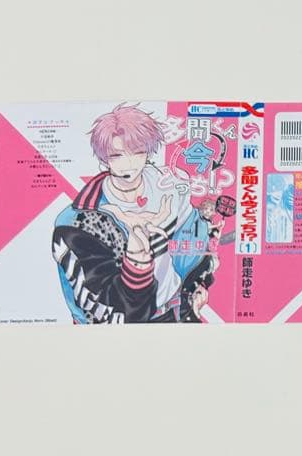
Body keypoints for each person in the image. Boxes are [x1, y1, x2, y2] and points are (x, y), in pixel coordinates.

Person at [50, 103, 218, 324]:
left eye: (137, 152)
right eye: (117, 155)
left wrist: (197, 283)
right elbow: (107, 301)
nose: (129, 164)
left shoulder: (168, 186)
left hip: (177, 311)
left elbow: (193, 241)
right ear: (104, 158)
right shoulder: (76, 222)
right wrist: (137, 255)